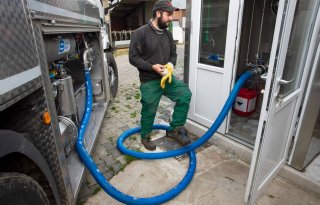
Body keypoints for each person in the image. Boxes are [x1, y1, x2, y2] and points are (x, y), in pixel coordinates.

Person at [129, 0, 192, 151]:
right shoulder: (140, 33)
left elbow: (173, 55)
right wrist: (152, 67)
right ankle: (145, 136)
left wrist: (170, 65)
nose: (171, 18)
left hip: (166, 78)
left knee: (185, 94)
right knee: (150, 108)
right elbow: (133, 58)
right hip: (149, 80)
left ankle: (173, 129)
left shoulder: (168, 35)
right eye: (168, 14)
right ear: (158, 13)